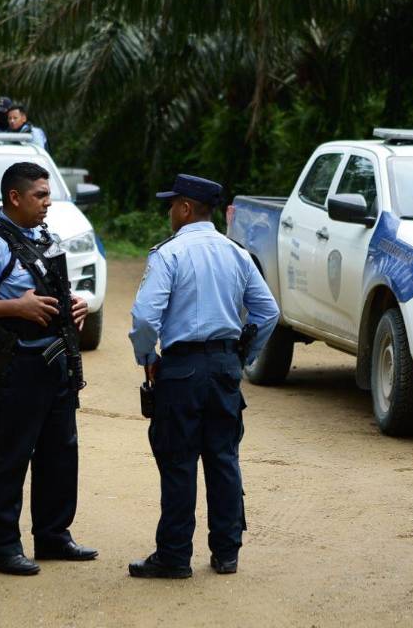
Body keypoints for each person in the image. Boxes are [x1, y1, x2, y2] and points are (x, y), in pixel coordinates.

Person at [0, 162, 96, 576]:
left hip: (55, 363)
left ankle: (53, 536)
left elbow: (52, 292)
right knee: (10, 458)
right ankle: (3, 546)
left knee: (59, 455)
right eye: (40, 195)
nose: (49, 203)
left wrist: (75, 306)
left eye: (49, 195)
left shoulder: (45, 237)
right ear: (15, 197)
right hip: (17, 367)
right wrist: (17, 307)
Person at [127, 174, 279, 579]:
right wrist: (243, 355)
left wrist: (147, 358)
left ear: (186, 208)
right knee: (223, 457)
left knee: (178, 461)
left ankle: (175, 556)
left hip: (181, 370)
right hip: (225, 369)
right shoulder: (236, 254)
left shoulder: (169, 254)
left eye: (171, 204)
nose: (169, 212)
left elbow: (144, 318)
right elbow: (268, 313)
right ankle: (227, 553)